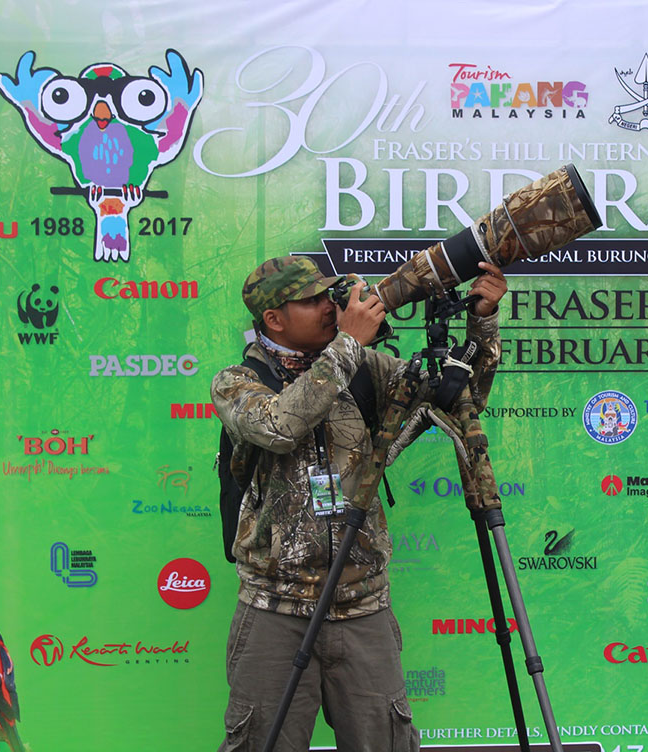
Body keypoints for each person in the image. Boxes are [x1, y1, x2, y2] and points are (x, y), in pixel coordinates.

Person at [211, 254, 506, 752]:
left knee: (386, 743)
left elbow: (461, 400)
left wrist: (482, 322)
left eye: (329, 295)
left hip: (363, 606)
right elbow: (281, 426)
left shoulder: (367, 368)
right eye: (312, 301)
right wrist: (348, 343)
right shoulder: (237, 382)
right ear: (274, 319)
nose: (330, 307)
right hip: (274, 610)